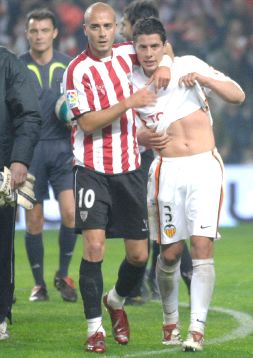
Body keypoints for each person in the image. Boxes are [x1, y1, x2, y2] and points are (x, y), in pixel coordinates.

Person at [63, 2, 172, 354]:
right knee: (94, 247)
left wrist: (167, 63)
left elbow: (162, 47)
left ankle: (116, 300)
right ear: (86, 30)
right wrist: (130, 102)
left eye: (108, 26)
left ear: (116, 28)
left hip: (129, 170)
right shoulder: (75, 71)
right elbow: (88, 123)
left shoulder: (130, 53)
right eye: (96, 27)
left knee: (139, 257)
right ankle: (94, 330)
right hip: (91, 169)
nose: (103, 33)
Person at [132, 17, 245, 352]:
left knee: (202, 248)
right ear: (135, 49)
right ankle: (170, 321)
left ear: (164, 45)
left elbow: (237, 95)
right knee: (169, 254)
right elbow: (128, 134)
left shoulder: (188, 65)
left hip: (203, 167)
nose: (149, 53)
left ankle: (196, 329)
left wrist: (204, 78)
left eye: (155, 46)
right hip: (166, 170)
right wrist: (140, 135)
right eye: (143, 47)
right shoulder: (131, 83)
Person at [120, 0, 193, 304]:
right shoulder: (127, 58)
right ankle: (148, 281)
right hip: (144, 151)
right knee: (158, 222)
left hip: (147, 155)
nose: (121, 30)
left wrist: (165, 63)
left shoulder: (151, 59)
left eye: (123, 24)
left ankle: (144, 284)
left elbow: (169, 55)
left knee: (158, 221)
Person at [20, 8, 78, 303]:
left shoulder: (70, 67)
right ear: (27, 33)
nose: (39, 36)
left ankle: (63, 274)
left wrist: (74, 118)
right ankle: (39, 284)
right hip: (30, 152)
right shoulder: (16, 68)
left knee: (71, 212)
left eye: (45, 30)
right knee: (34, 221)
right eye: (34, 31)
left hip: (62, 148)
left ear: (55, 33)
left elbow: (79, 108)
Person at [0, 46, 41, 340]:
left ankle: (0, 313)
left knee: (1, 244)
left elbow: (28, 113)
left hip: (0, 166)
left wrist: (19, 159)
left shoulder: (7, 63)